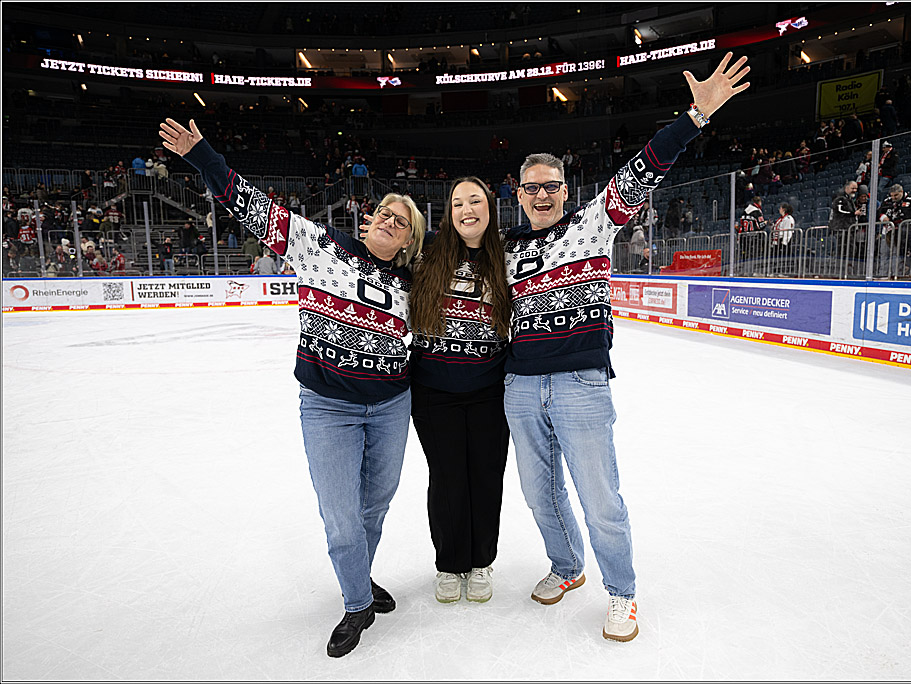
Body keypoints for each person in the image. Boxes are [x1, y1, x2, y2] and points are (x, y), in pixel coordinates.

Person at [502, 52, 750, 643]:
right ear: (517, 193)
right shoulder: (504, 252)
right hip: (520, 385)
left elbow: (644, 169)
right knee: (541, 496)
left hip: (581, 382)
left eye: (551, 186)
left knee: (599, 497)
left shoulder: (592, 225)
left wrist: (695, 117)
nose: (541, 195)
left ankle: (622, 594)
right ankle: (566, 569)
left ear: (567, 190)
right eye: (531, 187)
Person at [160, 117, 426, 659]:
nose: (387, 221)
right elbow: (255, 208)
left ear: (410, 241)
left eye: (401, 221)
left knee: (374, 505)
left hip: (392, 406)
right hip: (329, 407)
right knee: (340, 515)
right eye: (383, 213)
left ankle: (359, 579)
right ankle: (357, 604)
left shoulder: (414, 284)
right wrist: (204, 157)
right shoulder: (320, 247)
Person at [405, 177, 512, 604]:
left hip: (490, 390)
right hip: (434, 391)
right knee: (448, 478)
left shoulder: (510, 255)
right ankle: (450, 564)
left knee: (486, 477)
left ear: (489, 207)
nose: (467, 209)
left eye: (475, 200)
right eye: (457, 203)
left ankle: (481, 560)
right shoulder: (426, 254)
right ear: (448, 213)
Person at [878, 183, 911, 278]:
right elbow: (879, 212)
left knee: (897, 254)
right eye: (892, 195)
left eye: (896, 195)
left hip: (904, 234)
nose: (893, 197)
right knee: (884, 253)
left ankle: (897, 274)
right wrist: (883, 217)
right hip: (887, 231)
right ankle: (883, 274)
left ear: (902, 192)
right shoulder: (887, 201)